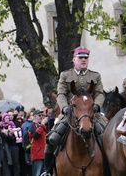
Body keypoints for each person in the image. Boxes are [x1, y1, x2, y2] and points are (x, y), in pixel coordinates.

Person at [44, 46, 106, 174]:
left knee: (106, 136)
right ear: (74, 60)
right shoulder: (65, 75)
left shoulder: (95, 75)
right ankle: (48, 170)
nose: (84, 60)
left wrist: (97, 106)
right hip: (69, 113)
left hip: (91, 113)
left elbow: (100, 93)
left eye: (86, 58)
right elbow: (61, 94)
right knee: (52, 138)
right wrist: (65, 107)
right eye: (80, 58)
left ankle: (110, 168)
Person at [28, 110, 48, 176]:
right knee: (37, 174)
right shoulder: (32, 125)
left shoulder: (41, 126)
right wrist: (42, 125)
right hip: (37, 154)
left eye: (42, 115)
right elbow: (35, 135)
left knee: (44, 174)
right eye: (39, 115)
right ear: (34, 117)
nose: (41, 117)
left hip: (43, 154)